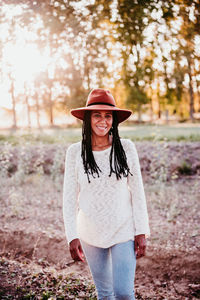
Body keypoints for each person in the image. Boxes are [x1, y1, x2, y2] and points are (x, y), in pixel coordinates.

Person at [63, 88, 150, 300]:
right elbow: (68, 196)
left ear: (114, 120)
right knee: (104, 293)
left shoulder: (126, 148)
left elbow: (138, 191)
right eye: (97, 115)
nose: (103, 121)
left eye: (108, 115)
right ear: (87, 119)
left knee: (123, 293)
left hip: (123, 228)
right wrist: (72, 235)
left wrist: (141, 231)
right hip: (90, 231)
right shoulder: (75, 152)